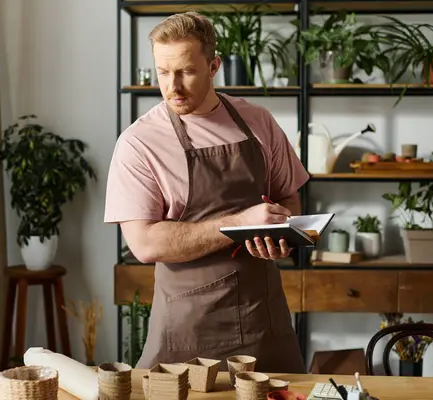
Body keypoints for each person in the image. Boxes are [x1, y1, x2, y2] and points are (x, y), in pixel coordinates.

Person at [104, 11, 309, 373]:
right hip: (188, 327)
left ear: (214, 66)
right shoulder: (139, 143)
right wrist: (241, 222)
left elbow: (289, 198)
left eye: (186, 71)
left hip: (265, 319)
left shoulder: (258, 121)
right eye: (163, 73)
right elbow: (145, 244)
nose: (172, 87)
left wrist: (283, 230)